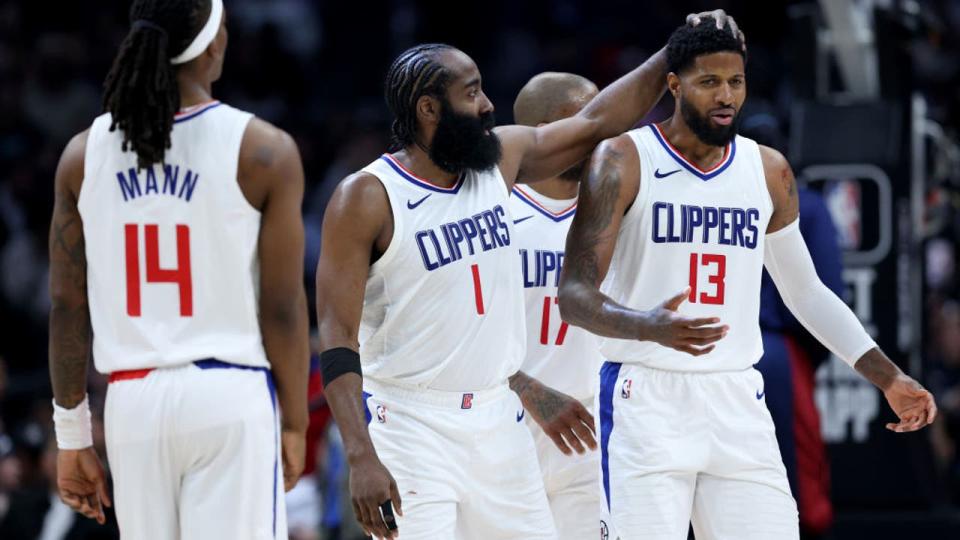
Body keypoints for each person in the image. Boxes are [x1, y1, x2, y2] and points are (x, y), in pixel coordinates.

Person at [314, 11, 742, 539]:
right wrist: (360, 455)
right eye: (471, 94)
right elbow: (335, 339)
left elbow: (596, 123)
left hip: (498, 421)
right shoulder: (367, 196)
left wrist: (676, 50)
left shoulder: (501, 159)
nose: (488, 105)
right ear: (429, 109)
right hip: (409, 422)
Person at [558, 18, 938, 540]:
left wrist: (887, 375)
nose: (726, 95)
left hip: (737, 397)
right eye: (709, 81)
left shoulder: (767, 171)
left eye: (735, 82)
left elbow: (805, 293)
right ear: (674, 84)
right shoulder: (623, 159)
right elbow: (574, 295)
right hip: (645, 398)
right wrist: (648, 325)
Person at [47, 1, 310, 538]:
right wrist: (295, 421)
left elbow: (67, 305)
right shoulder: (264, 150)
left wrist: (72, 434)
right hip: (228, 391)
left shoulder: (82, 155)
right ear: (214, 45)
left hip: (132, 403)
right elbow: (282, 309)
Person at [509, 71, 607, 540]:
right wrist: (525, 388)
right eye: (585, 120)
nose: (598, 131)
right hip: (503, 424)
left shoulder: (615, 213)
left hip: (589, 433)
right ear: (544, 131)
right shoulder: (491, 214)